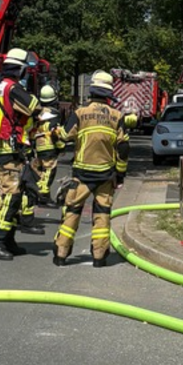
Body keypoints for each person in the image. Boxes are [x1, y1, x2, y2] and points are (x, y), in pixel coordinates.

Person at [53, 70, 130, 268]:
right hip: (105, 175)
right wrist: (120, 174)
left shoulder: (80, 114)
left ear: (92, 92)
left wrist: (54, 132)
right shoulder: (117, 116)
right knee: (102, 214)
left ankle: (61, 255)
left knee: (72, 211)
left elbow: (64, 136)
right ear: (108, 95)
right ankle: (99, 257)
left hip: (81, 174)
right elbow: (123, 147)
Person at [0, 48, 41, 261]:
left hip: (9, 148)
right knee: (11, 197)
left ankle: (7, 240)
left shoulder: (2, 87)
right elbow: (33, 107)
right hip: (9, 149)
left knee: (15, 197)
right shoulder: (14, 88)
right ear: (20, 69)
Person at [31, 85, 63, 206]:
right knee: (50, 169)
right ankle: (44, 193)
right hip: (49, 145)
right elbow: (55, 131)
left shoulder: (38, 112)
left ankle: (40, 194)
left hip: (39, 146)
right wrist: (60, 146)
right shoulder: (54, 114)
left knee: (40, 170)